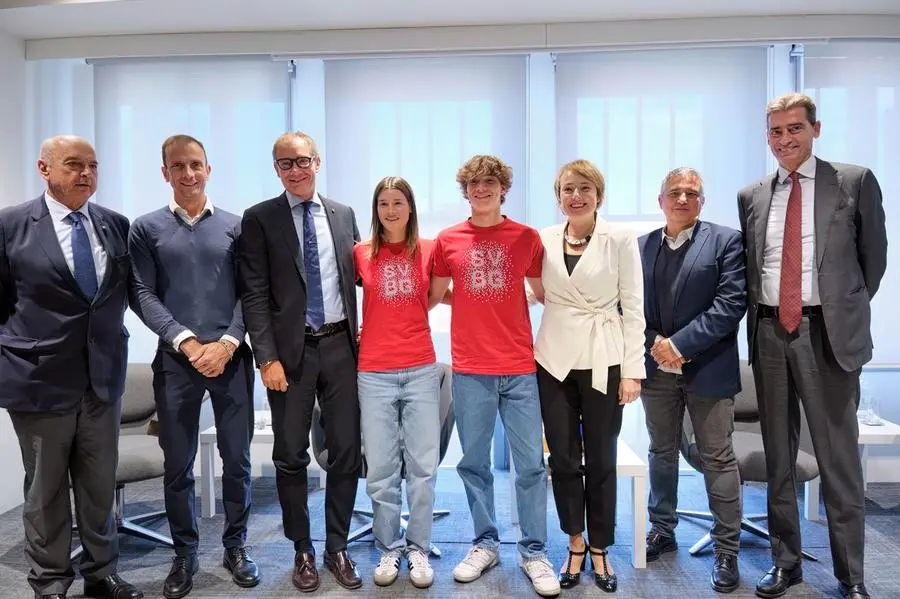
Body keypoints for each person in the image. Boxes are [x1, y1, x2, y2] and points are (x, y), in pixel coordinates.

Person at [738, 92, 886, 599]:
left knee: (837, 458)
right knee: (778, 455)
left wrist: (838, 310)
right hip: (769, 332)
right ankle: (786, 564)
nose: (785, 139)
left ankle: (852, 575)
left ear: (815, 130)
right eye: (776, 131)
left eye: (794, 129)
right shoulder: (752, 195)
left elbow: (873, 262)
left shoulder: (853, 180)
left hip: (828, 335)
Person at [0, 135, 142, 599]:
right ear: (45, 169)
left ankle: (102, 576)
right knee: (45, 491)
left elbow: (127, 295)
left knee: (99, 486)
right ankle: (50, 582)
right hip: (39, 378)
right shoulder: (11, 225)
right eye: (73, 164)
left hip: (103, 379)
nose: (85, 174)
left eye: (92, 166)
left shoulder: (114, 225)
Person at [128, 135, 259, 599]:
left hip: (231, 358)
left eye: (196, 165)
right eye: (178, 166)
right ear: (165, 172)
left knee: (238, 461)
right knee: (178, 465)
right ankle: (184, 554)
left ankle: (237, 546)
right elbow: (141, 293)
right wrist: (185, 341)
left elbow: (252, 292)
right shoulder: (145, 228)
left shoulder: (236, 226)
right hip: (176, 362)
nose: (188, 174)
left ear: (209, 168)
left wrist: (226, 342)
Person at [428, 155, 560, 598]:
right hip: (470, 369)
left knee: (529, 466)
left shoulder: (526, 239)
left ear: (503, 188)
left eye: (489, 182)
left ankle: (535, 551)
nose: (481, 189)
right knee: (474, 464)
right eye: (473, 183)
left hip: (521, 367)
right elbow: (438, 293)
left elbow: (546, 295)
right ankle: (485, 543)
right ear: (464, 190)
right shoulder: (448, 240)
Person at [238, 131, 363, 592]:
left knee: (346, 450)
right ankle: (303, 550)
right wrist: (265, 357)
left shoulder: (344, 214)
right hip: (289, 356)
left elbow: (365, 277)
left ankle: (337, 545)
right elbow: (253, 294)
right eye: (285, 163)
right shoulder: (260, 219)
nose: (296, 169)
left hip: (341, 349)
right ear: (276, 169)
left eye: (303, 160)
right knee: (290, 454)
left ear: (318, 162)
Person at [533, 159, 644, 594]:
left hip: (605, 359)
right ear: (557, 196)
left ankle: (600, 546)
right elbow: (530, 288)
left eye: (583, 189)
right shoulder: (543, 239)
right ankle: (574, 541)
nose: (575, 196)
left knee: (601, 458)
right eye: (566, 189)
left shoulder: (619, 238)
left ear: (598, 194)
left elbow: (633, 307)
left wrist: (633, 371)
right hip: (553, 360)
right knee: (561, 458)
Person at [638, 167, 746, 593]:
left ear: (702, 201)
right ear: (660, 200)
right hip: (656, 371)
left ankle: (726, 550)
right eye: (675, 192)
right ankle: (662, 531)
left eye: (692, 193)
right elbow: (629, 306)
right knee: (660, 452)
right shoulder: (642, 246)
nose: (683, 199)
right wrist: (656, 344)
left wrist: (679, 344)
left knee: (717, 457)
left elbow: (730, 303)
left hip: (707, 366)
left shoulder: (725, 241)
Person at [354, 176, 442, 589]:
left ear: (410, 208)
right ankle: (389, 547)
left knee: (423, 467)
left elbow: (440, 296)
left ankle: (419, 547)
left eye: (398, 202)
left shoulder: (430, 250)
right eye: (383, 204)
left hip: (422, 368)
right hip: (373, 372)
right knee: (383, 469)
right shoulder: (360, 253)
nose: (390, 211)